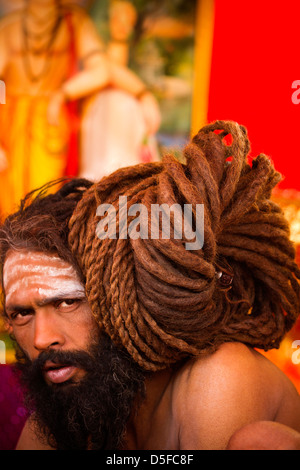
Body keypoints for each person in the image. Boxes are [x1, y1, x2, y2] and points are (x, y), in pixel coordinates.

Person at [0, 120, 300, 450]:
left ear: (121, 299)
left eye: (67, 302)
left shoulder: (219, 378)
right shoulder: (63, 419)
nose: (42, 339)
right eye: (21, 314)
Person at [0, 0, 160, 216]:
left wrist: (63, 94)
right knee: (9, 200)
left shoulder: (73, 21)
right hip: (9, 122)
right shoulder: (9, 27)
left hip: (51, 121)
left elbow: (103, 70)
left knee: (45, 199)